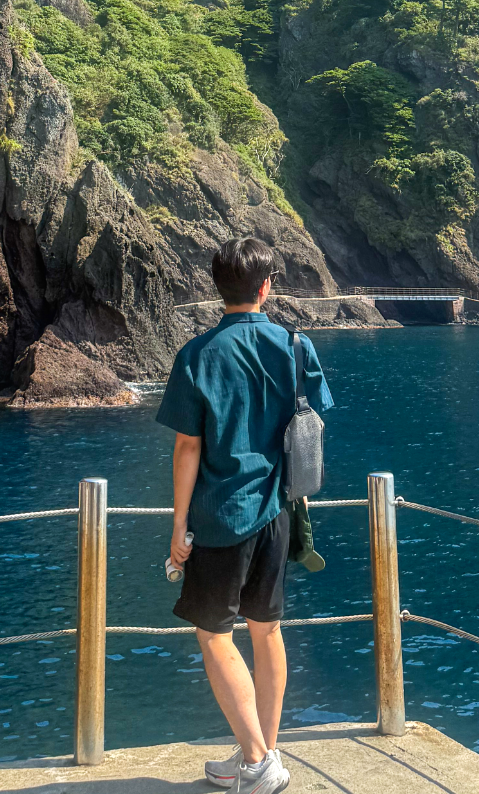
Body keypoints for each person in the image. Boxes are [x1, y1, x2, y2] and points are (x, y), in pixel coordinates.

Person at [156, 237, 333, 794]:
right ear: (267, 286)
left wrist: (178, 524)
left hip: (220, 516)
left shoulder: (198, 354)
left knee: (213, 636)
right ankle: (259, 755)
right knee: (267, 631)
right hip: (279, 512)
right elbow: (313, 420)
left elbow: (188, 448)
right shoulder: (295, 344)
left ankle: (258, 761)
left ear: (218, 287)